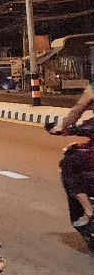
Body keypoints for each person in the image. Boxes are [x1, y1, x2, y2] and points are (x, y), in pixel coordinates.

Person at [49, 84, 94, 227]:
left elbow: (78, 109)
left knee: (69, 164)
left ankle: (89, 211)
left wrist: (62, 127)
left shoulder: (92, 90)